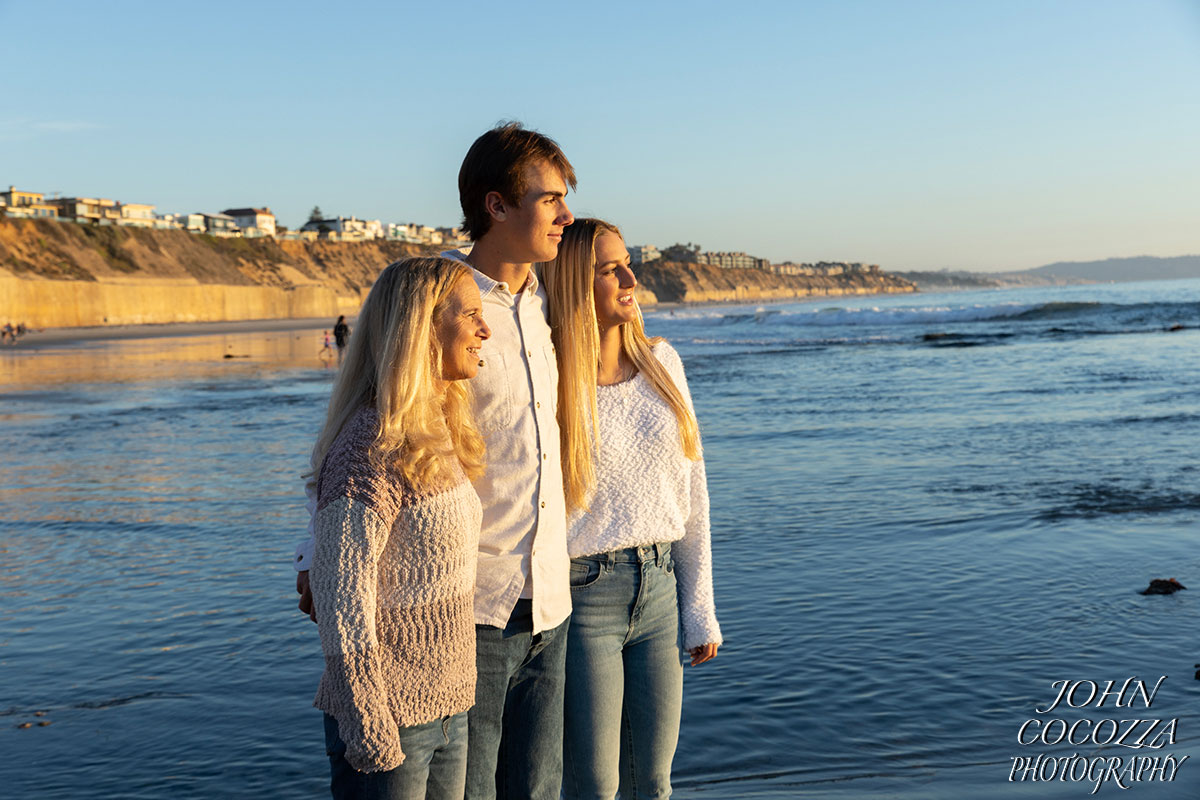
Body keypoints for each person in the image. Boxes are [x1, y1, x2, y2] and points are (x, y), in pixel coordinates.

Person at [297, 122, 577, 800]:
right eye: (551, 198)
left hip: (549, 604)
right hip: (464, 616)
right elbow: (371, 437)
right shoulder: (441, 298)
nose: (566, 214)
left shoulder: (550, 308)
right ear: (496, 205)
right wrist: (314, 556)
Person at [540, 218, 722, 800]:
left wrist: (700, 610)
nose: (630, 277)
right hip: (583, 596)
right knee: (594, 786)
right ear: (572, 283)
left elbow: (693, 490)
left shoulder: (662, 362)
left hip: (662, 588)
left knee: (655, 783)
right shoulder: (550, 376)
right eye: (608, 268)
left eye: (627, 262)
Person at [308, 256, 490, 799]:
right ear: (424, 328)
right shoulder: (370, 443)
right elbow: (341, 594)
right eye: (472, 315)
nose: (487, 329)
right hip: (390, 722)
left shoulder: (435, 427)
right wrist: (369, 723)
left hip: (448, 710)